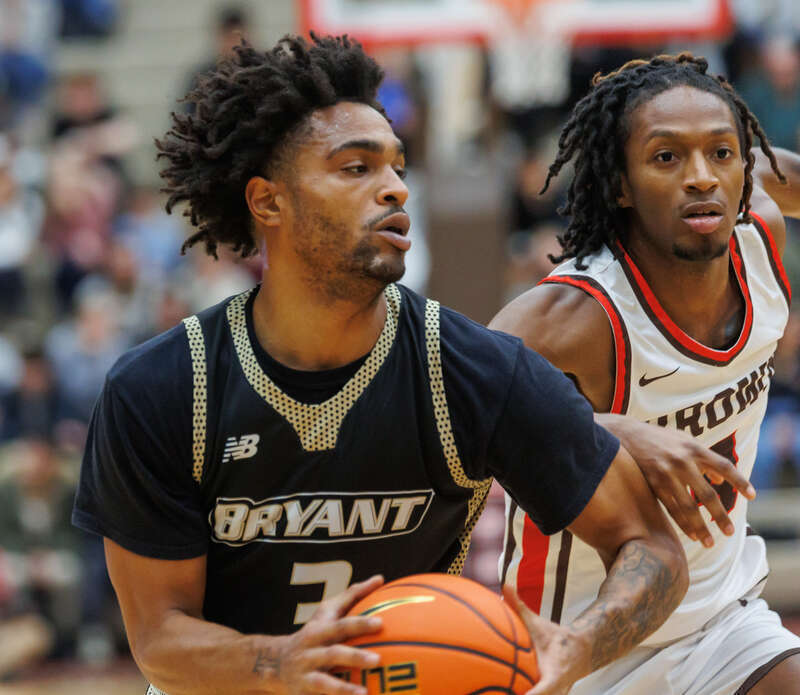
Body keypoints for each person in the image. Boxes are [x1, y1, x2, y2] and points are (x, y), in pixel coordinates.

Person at [72, 35, 689, 695]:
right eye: (355, 168)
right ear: (268, 201)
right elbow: (160, 635)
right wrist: (282, 663)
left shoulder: (472, 371)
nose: (394, 188)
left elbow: (652, 546)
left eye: (396, 166)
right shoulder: (162, 389)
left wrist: (580, 645)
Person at [492, 52, 800, 694]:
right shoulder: (569, 318)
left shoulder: (760, 237)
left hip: (723, 623)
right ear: (620, 184)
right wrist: (618, 432)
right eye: (666, 157)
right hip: (580, 646)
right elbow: (451, 403)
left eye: (721, 154)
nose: (701, 177)